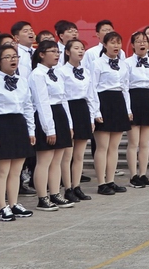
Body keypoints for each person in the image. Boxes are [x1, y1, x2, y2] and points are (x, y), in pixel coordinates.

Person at [0, 43, 35, 222]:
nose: (13, 60)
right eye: (8, 57)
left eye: (15, 56)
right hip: (1, 125)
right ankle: (1, 207)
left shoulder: (22, 81)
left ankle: (14, 204)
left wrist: (31, 130)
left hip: (19, 124)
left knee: (16, 171)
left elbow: (28, 106)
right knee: (2, 171)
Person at [29, 40, 74, 211]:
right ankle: (42, 197)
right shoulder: (37, 74)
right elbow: (41, 102)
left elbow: (63, 98)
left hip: (59, 114)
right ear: (41, 54)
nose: (57, 55)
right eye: (52, 51)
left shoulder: (56, 73)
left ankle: (55, 193)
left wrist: (69, 123)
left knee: (57, 160)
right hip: (46, 116)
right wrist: (49, 129)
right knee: (44, 160)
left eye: (58, 51)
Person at [91, 32, 131, 195]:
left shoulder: (124, 64)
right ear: (105, 45)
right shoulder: (97, 63)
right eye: (112, 43)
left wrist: (128, 109)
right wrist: (96, 111)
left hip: (118, 102)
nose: (116, 46)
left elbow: (125, 88)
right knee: (102, 147)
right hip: (103, 102)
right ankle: (101, 183)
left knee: (114, 147)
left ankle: (110, 180)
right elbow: (92, 88)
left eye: (118, 43)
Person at [58, 39, 96, 202]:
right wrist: (68, 122)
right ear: (67, 52)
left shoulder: (86, 71)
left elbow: (91, 95)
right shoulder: (61, 71)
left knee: (79, 154)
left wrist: (92, 117)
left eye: (82, 48)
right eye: (76, 48)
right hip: (68, 109)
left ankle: (77, 186)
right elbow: (62, 96)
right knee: (67, 155)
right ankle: (67, 188)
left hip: (82, 109)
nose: (80, 51)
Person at [125, 31, 149, 189]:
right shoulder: (126, 63)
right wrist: (127, 109)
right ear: (133, 45)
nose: (142, 44)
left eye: (145, 41)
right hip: (133, 98)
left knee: (145, 143)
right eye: (138, 41)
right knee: (133, 143)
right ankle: (133, 175)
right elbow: (124, 87)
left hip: (148, 100)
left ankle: (143, 174)